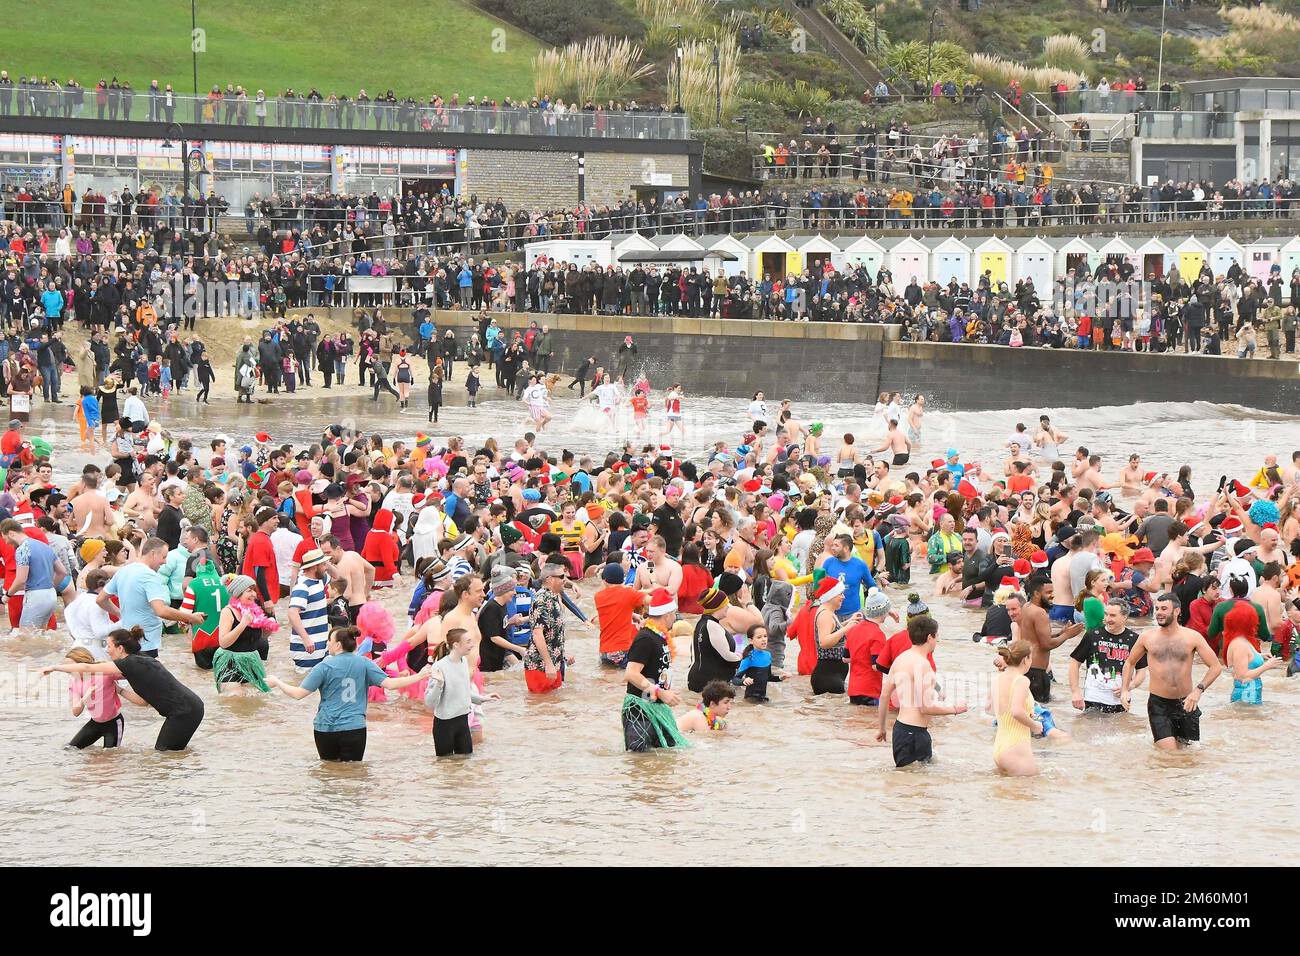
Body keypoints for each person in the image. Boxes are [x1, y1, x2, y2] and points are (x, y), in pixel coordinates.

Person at [267, 625, 429, 761]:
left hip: (325, 730)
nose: (327, 644)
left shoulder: (324, 666)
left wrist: (278, 682)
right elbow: (391, 684)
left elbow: (298, 694)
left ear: (338, 645)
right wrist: (419, 676)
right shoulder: (365, 663)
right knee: (353, 775)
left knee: (329, 774)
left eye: (329, 641)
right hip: (354, 729)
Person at [43, 626, 205, 751]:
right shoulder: (137, 661)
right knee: (169, 755)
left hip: (184, 711)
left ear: (120, 648)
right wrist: (118, 690)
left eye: (109, 646)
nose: (107, 650)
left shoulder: (130, 663)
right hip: (187, 708)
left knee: (164, 754)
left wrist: (54, 668)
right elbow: (143, 702)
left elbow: (86, 667)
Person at [1120, 593, 1224, 750]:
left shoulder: (1192, 637)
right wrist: (1124, 690)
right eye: (1157, 609)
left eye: (1164, 609)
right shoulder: (1147, 637)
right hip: (1159, 705)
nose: (1159, 612)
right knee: (1170, 754)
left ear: (1177, 611)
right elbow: (1129, 662)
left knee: (1189, 756)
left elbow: (1216, 667)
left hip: (1187, 703)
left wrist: (1198, 690)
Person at [876, 616, 966, 767]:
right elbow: (926, 707)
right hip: (915, 734)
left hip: (900, 731)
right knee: (920, 786)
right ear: (930, 637)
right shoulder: (923, 664)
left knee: (908, 784)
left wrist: (882, 728)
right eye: (937, 636)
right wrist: (955, 709)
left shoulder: (900, 659)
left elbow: (884, 696)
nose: (937, 640)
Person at [623, 587, 687, 751]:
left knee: (669, 754)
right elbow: (631, 673)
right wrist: (659, 692)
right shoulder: (645, 638)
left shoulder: (661, 636)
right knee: (640, 759)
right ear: (666, 616)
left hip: (657, 706)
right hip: (640, 709)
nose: (675, 618)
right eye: (674, 614)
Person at [425, 627, 501, 756]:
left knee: (465, 763)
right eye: (468, 642)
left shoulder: (463, 661)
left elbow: (463, 691)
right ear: (456, 645)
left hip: (462, 721)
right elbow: (429, 703)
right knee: (445, 765)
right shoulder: (439, 666)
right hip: (444, 724)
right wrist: (439, 684)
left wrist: (482, 698)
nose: (472, 645)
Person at [991, 640, 1056, 776]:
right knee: (1030, 792)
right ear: (1026, 659)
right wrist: (1035, 726)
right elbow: (1016, 711)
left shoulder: (997, 679)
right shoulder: (1021, 680)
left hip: (999, 747)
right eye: (1031, 657)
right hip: (1016, 748)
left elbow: (988, 707)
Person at [1069, 600, 1146, 713]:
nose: (1107, 619)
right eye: (1106, 614)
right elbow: (1075, 663)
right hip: (1093, 699)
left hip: (1120, 702)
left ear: (1124, 617)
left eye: (1113, 615)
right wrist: (1075, 692)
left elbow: (1141, 670)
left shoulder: (1134, 639)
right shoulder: (1093, 635)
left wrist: (1129, 686)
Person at [1221, 602, 1283, 705]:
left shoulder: (1241, 640)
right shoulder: (1239, 644)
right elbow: (1243, 677)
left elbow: (1246, 661)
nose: (1257, 623)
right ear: (1247, 623)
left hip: (1250, 696)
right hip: (1246, 697)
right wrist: (1267, 666)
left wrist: (1259, 656)